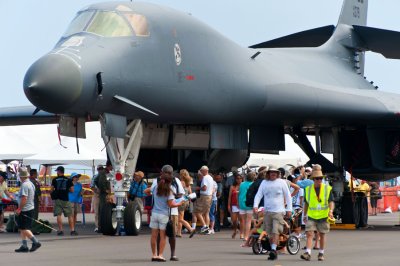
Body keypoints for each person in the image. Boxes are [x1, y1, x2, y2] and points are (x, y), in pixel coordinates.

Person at [145, 165, 184, 262]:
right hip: (167, 213)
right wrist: (179, 202)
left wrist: (152, 194)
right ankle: (163, 255)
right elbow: (172, 203)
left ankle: (155, 254)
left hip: (155, 213)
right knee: (166, 235)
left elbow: (147, 191)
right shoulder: (170, 189)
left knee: (154, 236)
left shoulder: (156, 185)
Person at [253, 166, 292, 261]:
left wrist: (289, 209)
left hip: (278, 211)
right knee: (269, 233)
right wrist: (255, 205)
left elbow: (288, 196)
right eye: (271, 172)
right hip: (267, 211)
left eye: (275, 172)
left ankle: (273, 250)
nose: (273, 174)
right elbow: (259, 194)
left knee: (276, 230)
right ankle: (273, 249)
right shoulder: (264, 183)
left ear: (278, 174)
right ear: (268, 173)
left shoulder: (282, 182)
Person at [300, 164, 334, 262]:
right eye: (317, 178)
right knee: (309, 233)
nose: (319, 180)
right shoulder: (308, 189)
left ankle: (321, 253)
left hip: (323, 215)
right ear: (313, 179)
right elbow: (306, 203)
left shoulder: (327, 188)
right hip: (311, 215)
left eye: (321, 178)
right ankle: (308, 253)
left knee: (322, 234)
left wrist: (330, 211)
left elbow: (330, 202)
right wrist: (305, 214)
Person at [14, 168, 41, 253]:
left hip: (25, 209)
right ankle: (24, 245)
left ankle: (35, 242)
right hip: (30, 207)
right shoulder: (30, 183)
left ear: (21, 177)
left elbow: (24, 198)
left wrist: (19, 209)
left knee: (24, 228)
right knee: (22, 228)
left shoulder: (25, 185)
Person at [51, 166, 76, 236]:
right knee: (70, 215)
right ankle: (72, 230)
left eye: (57, 171)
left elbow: (51, 189)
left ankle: (61, 230)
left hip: (58, 199)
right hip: (66, 199)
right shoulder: (68, 180)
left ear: (59, 171)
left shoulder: (55, 179)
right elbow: (72, 190)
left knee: (58, 215)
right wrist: (66, 190)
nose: (57, 172)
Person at [192, 165, 214, 234]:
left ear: (205, 171)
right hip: (209, 196)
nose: (201, 172)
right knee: (206, 213)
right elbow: (213, 188)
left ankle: (204, 226)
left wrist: (198, 188)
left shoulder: (205, 178)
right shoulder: (210, 177)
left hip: (204, 197)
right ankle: (207, 228)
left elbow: (204, 188)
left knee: (197, 211)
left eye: (201, 171)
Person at [176, 169, 195, 237]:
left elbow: (178, 192)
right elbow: (190, 193)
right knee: (181, 216)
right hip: (186, 202)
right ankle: (178, 232)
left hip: (180, 201)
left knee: (179, 218)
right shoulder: (188, 184)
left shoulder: (181, 182)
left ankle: (191, 229)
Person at [238, 171, 255, 241]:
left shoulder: (241, 184)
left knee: (243, 221)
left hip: (242, 203)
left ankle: (242, 234)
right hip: (250, 204)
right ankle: (246, 236)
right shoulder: (253, 184)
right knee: (248, 221)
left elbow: (239, 193)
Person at [98, 161, 112, 233]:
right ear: (109, 166)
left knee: (104, 209)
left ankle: (102, 226)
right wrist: (105, 190)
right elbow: (100, 182)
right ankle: (101, 227)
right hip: (104, 194)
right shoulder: (103, 172)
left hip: (105, 194)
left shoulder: (106, 172)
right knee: (103, 210)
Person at [228, 173, 242, 239]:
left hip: (241, 205)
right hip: (234, 205)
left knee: (241, 220)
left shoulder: (243, 186)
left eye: (240, 178)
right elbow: (229, 197)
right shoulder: (232, 187)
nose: (238, 180)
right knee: (234, 220)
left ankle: (242, 233)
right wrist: (228, 205)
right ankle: (235, 230)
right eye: (237, 178)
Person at [91, 165, 103, 232]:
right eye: (99, 169)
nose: (100, 170)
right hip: (97, 195)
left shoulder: (106, 176)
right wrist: (97, 191)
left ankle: (103, 225)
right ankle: (97, 226)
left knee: (104, 211)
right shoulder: (95, 176)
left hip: (104, 195)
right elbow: (92, 186)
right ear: (97, 169)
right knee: (97, 212)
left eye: (101, 169)